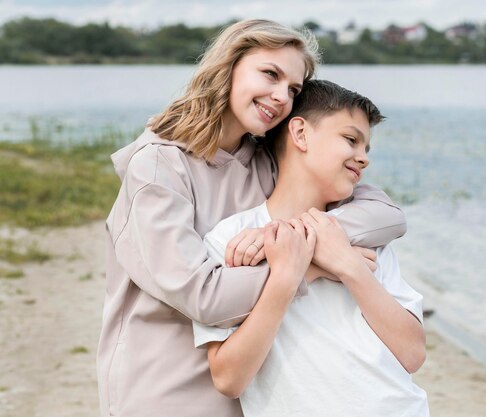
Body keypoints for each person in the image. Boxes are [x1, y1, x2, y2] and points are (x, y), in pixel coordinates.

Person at [97, 20, 408, 417]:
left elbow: (387, 216)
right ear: (228, 66)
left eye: (293, 89)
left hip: (248, 391)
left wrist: (291, 235)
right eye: (270, 74)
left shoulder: (264, 162)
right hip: (163, 390)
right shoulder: (158, 168)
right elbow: (204, 298)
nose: (281, 96)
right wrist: (310, 262)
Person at [193, 80, 429, 417]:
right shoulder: (232, 239)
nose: (363, 159)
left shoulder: (361, 234)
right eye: (351, 140)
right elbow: (229, 379)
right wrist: (287, 278)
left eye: (367, 149)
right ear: (301, 134)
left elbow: (412, 354)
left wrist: (348, 265)